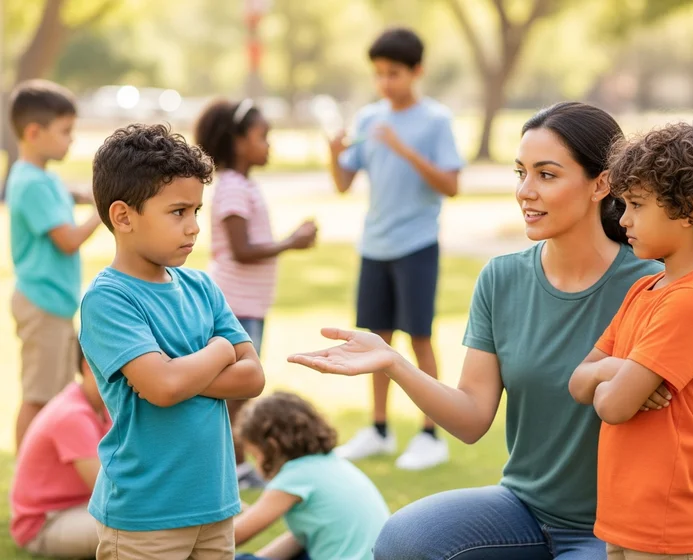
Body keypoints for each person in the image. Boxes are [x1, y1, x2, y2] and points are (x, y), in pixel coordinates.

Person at [289, 102, 693, 559]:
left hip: (616, 527)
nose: (525, 191)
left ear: (602, 184)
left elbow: (692, 375)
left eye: (547, 174)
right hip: (523, 508)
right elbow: (470, 418)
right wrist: (394, 362)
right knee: (404, 541)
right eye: (520, 172)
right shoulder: (501, 279)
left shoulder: (651, 283)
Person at [569, 120, 693, 558]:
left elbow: (612, 407)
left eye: (636, 204)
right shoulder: (646, 289)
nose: (623, 218)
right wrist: (618, 370)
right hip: (625, 516)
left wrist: (610, 380)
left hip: (669, 523)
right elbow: (578, 384)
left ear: (688, 210)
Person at [79, 124, 266, 559]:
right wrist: (220, 350)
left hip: (216, 506)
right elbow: (162, 389)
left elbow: (253, 376)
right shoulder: (109, 299)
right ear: (123, 216)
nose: (195, 227)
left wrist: (176, 371)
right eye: (178, 212)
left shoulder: (202, 286)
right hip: (146, 516)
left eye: (197, 210)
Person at [327, 27, 465, 470]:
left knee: (419, 337)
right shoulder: (369, 119)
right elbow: (344, 183)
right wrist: (333, 154)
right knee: (375, 339)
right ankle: (380, 429)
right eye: (380, 74)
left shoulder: (435, 121)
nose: (386, 82)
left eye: (395, 74)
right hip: (375, 244)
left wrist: (404, 149)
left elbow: (452, 185)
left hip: (417, 244)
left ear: (417, 72)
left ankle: (431, 433)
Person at [195, 98, 318, 489]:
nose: (269, 145)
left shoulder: (243, 185)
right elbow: (242, 250)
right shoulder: (232, 187)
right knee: (235, 393)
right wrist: (291, 243)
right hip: (235, 305)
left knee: (241, 394)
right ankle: (223, 473)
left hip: (249, 305)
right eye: (262, 137)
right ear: (238, 141)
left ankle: (234, 469)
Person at [6, 79, 103, 449]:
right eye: (65, 131)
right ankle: (25, 481)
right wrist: (103, 212)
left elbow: (70, 194)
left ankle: (47, 466)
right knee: (38, 395)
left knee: (59, 394)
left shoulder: (43, 178)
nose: (71, 139)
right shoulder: (30, 183)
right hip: (41, 304)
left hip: (55, 304)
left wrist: (90, 193)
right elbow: (68, 241)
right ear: (34, 132)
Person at [232, 392, 390, 560]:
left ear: (272, 446)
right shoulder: (330, 463)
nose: (256, 466)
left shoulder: (295, 477)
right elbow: (299, 540)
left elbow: (235, 535)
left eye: (255, 456)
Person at [10, 341, 111, 558]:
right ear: (88, 367)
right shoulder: (73, 415)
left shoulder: (102, 406)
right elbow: (106, 489)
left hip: (81, 505)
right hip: (45, 523)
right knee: (134, 528)